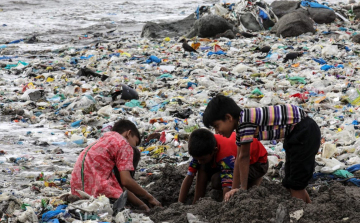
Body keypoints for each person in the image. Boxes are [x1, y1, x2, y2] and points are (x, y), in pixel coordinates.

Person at [203, 95, 321, 203]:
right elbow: (238, 159)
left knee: (296, 184)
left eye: (217, 126)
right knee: (291, 180)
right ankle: (309, 209)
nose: (217, 132)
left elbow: (244, 157)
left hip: (304, 132)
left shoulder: (244, 122)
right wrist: (234, 189)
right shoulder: (242, 125)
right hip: (296, 134)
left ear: (228, 117)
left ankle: (301, 214)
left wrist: (242, 189)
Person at [70, 119, 161, 211]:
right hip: (98, 194)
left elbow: (119, 185)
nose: (134, 147)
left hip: (77, 192)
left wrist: (142, 205)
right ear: (128, 133)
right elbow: (126, 181)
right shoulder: (124, 144)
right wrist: (150, 197)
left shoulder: (103, 140)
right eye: (135, 142)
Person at [178, 128, 268, 204]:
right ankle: (196, 201)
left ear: (215, 150)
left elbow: (227, 184)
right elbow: (189, 176)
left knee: (217, 180)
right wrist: (179, 203)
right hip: (233, 159)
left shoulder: (226, 155)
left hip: (258, 164)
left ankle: (255, 180)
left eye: (202, 159)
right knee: (202, 167)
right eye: (197, 159)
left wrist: (225, 204)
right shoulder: (201, 150)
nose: (199, 161)